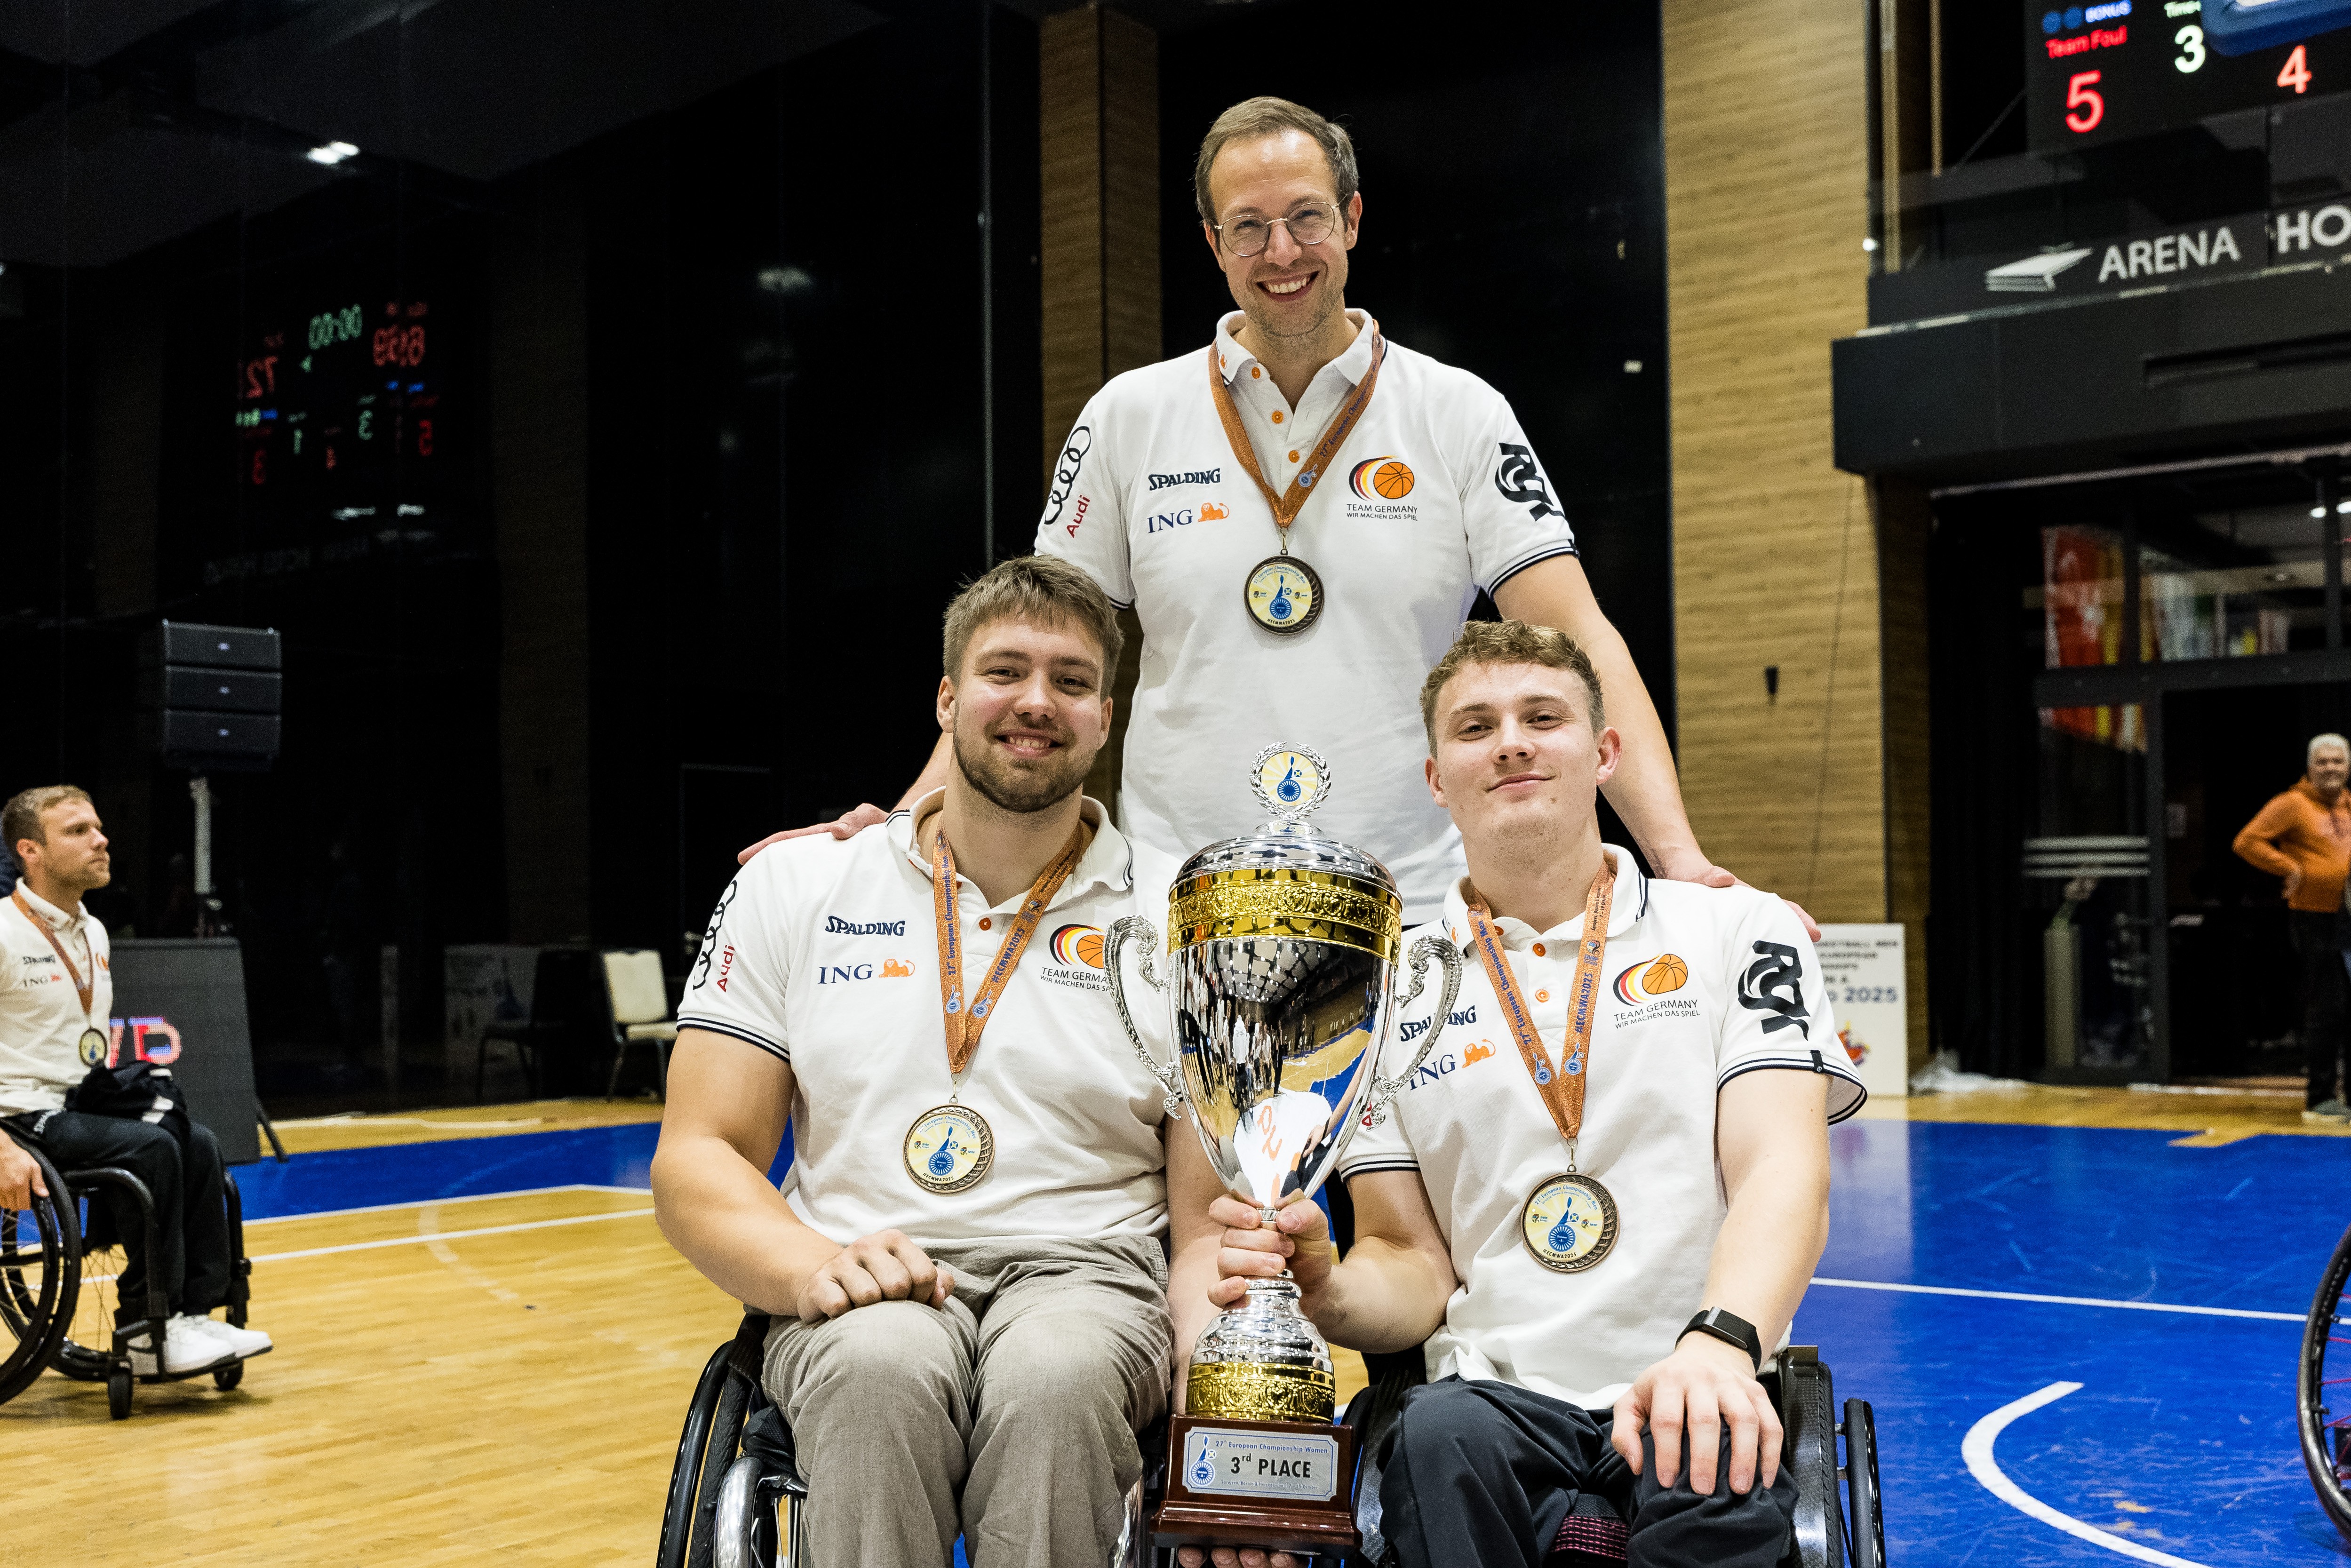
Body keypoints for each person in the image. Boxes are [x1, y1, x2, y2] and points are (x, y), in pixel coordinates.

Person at [742, 96, 1800, 936]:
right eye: (1247, 226)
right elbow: (1030, 657)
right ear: (1213, 243)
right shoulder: (1128, 416)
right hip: (1178, 905)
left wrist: (1678, 856)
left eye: (1305, 217)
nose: (1281, 249)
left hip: (1413, 907)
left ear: (1352, 220)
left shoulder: (1458, 412)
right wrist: (910, 815)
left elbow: (1579, 638)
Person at [1182, 620, 1863, 1568]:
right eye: (1476, 727)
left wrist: (1719, 1342)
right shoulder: (1386, 987)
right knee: (1433, 1435)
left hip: (1699, 1366)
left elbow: (1783, 1170)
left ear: (1604, 753)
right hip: (1489, 1398)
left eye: (1543, 717)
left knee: (1711, 1451)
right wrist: (1326, 1286)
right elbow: (1410, 1260)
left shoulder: (1737, 928)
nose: (1511, 742)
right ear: (1436, 779)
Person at [651, 557, 1227, 1567]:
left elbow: (1204, 1221)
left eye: (1072, 681)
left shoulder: (1188, 914)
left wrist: (1220, 1391)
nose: (1036, 701)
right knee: (879, 1367)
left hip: (1091, 1276)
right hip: (862, 1264)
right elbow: (700, 1156)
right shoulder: (799, 884)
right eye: (1005, 671)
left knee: (1054, 1377)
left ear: (1105, 719)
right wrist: (813, 1265)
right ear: (948, 699)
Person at [0, 785, 272, 1375]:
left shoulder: (94, 931)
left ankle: (192, 1313)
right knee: (148, 1149)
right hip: (18, 1117)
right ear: (31, 851)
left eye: (98, 828)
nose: (101, 841)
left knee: (196, 1141)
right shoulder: (2, 931)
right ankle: (146, 1328)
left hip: (79, 1103)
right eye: (78, 831)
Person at [2232, 732, 2351, 1123]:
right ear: (2310, 767)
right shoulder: (2292, 804)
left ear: (2348, 766)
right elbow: (2246, 842)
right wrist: (2290, 867)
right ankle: (2320, 1099)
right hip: (2314, 917)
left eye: (2338, 761)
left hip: (2348, 916)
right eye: (2323, 761)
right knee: (2328, 1007)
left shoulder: (2349, 803)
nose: (2331, 768)